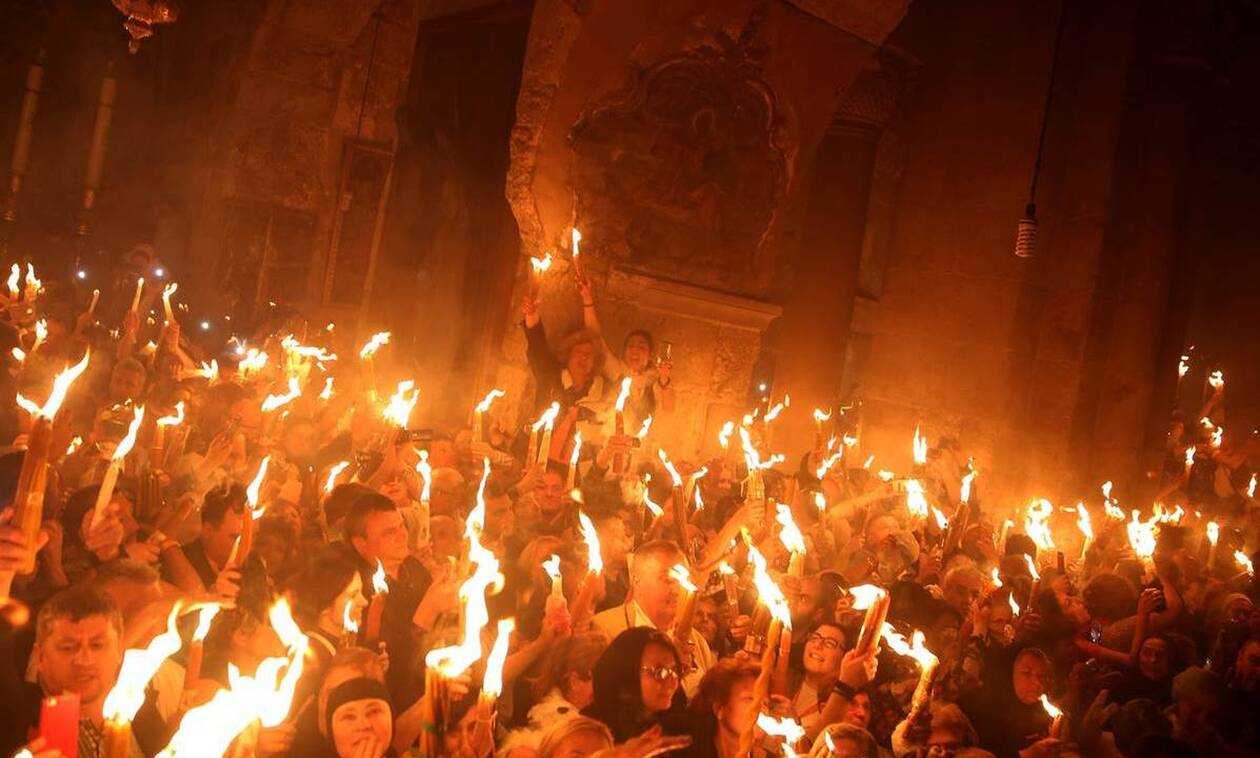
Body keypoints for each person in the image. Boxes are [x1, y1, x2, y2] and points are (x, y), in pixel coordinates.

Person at [591, 540, 717, 696]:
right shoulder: (605, 630)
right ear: (636, 581)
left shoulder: (697, 643)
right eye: (668, 580)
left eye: (682, 582)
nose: (677, 590)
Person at [583, 627, 687, 743]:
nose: (672, 682)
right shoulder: (590, 733)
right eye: (659, 672)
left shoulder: (677, 725)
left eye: (674, 669)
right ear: (626, 673)